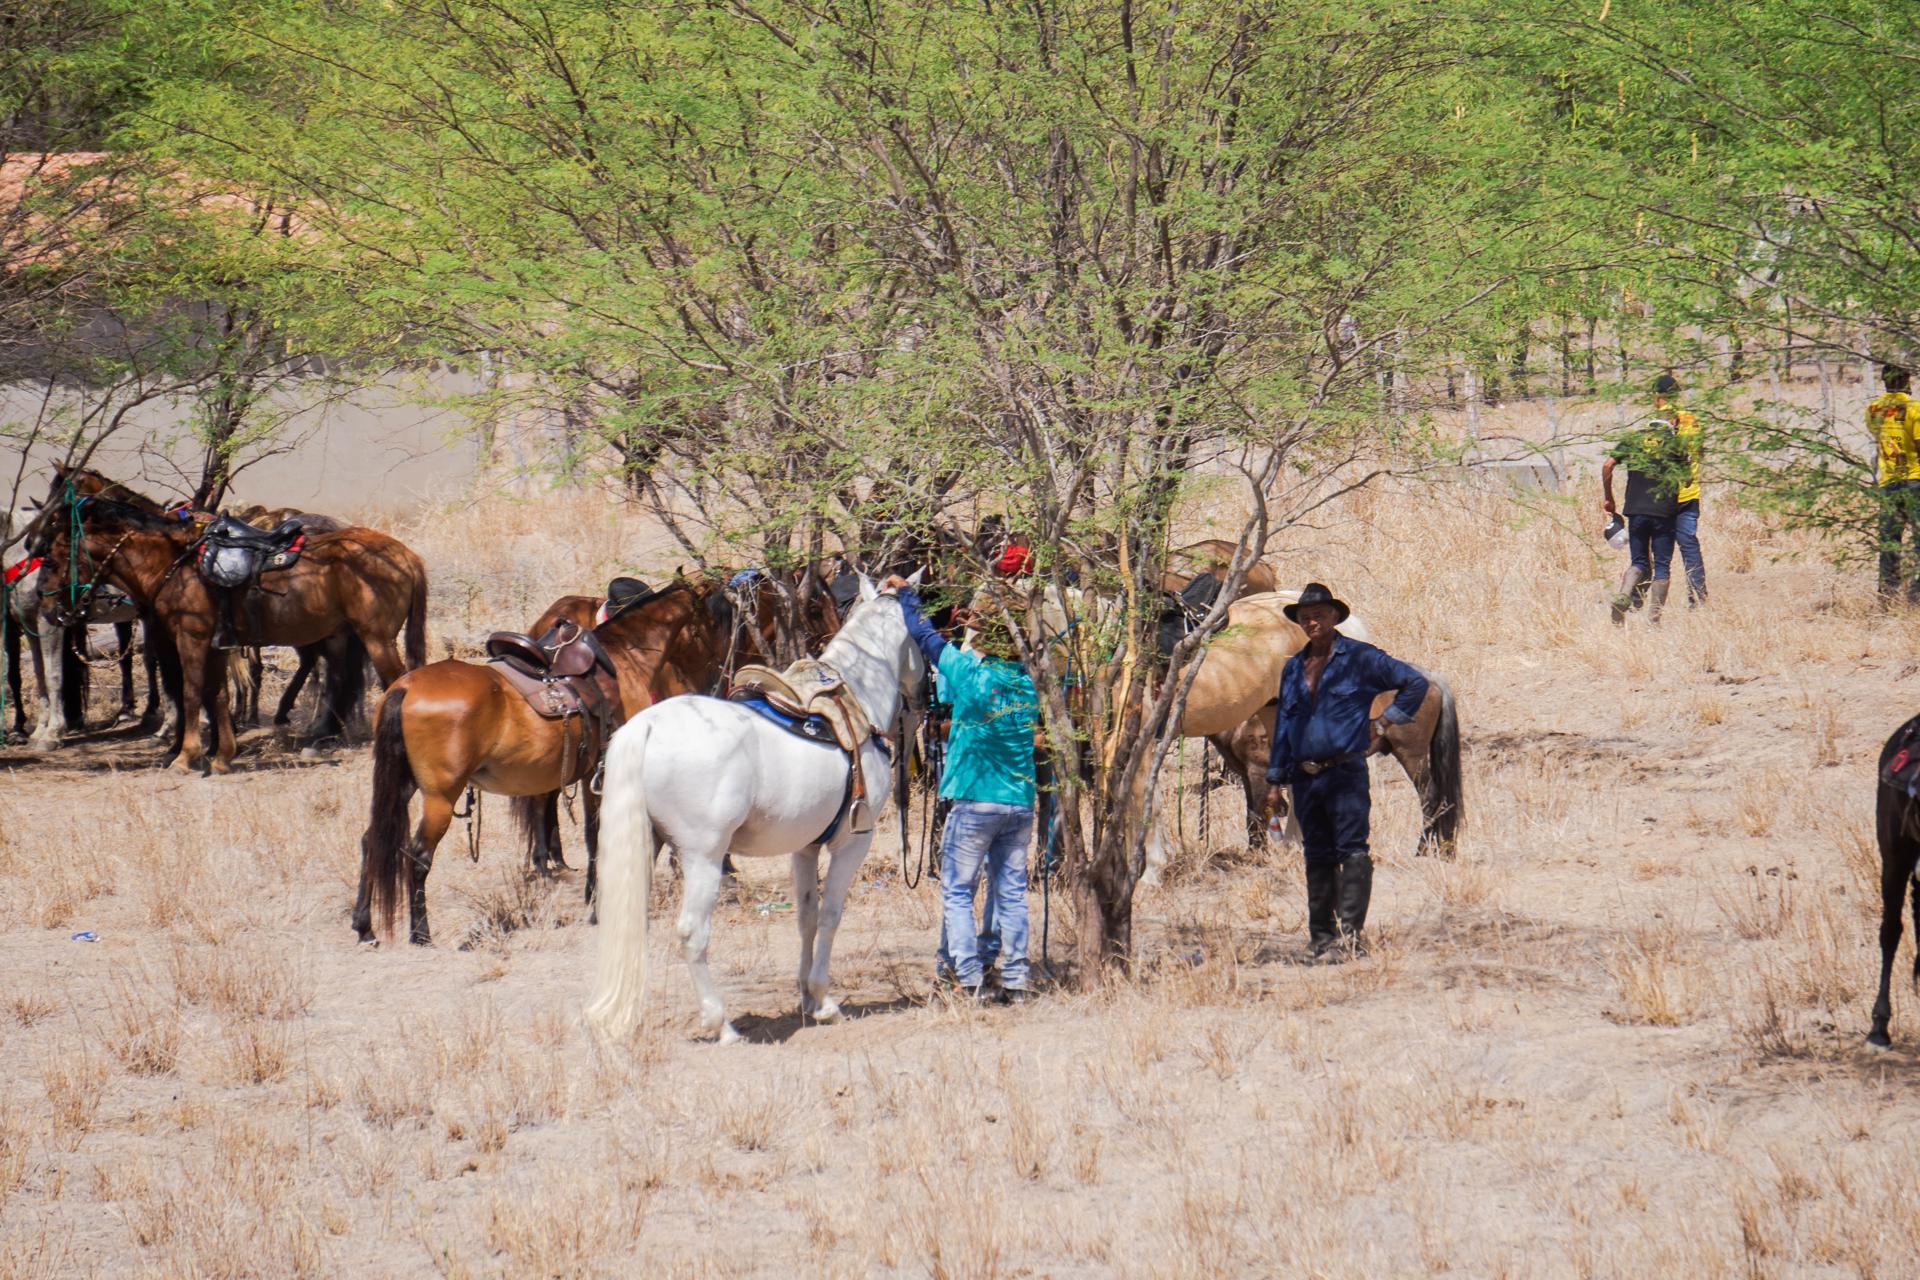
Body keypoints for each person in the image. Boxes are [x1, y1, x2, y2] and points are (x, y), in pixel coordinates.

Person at [883, 574, 1039, 1002]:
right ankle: (1016, 980)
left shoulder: (970, 673)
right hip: (1020, 804)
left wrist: (907, 594)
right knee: (1011, 893)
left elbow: (924, 635)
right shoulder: (1028, 685)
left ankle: (967, 977)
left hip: (974, 802)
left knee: (957, 890)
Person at [1261, 583, 1427, 962]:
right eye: (1305, 617)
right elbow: (1284, 726)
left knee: (1352, 850)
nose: (1312, 622)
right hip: (1304, 777)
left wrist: (1384, 722)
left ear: (1335, 617)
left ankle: (1350, 939)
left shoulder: (1360, 658)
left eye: (1319, 615)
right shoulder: (1293, 667)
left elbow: (1414, 683)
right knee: (1315, 853)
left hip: (1344, 772)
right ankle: (1320, 939)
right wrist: (1274, 782)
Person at [1601, 404, 1691, 623]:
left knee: (1639, 562)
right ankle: (1654, 620)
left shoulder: (1633, 439)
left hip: (1636, 510)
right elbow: (1687, 480)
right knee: (1661, 567)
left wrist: (1609, 497)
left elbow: (1607, 465)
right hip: (1664, 513)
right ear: (1673, 422)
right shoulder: (1676, 444)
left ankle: (1624, 594)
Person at [1868, 364, 1920, 604]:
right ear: (1907, 380)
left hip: (1889, 481)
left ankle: (1887, 596)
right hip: (1915, 480)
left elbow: (1880, 437)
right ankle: (1916, 598)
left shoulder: (1873, 408)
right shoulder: (1914, 408)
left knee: (1890, 541)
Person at [1655, 374, 1708, 605]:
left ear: (1657, 395)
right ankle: (1698, 597)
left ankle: (1654, 604)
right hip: (1690, 492)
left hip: (1665, 495)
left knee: (1660, 551)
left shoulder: (1660, 421)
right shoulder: (1692, 420)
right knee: (1689, 545)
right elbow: (1701, 451)